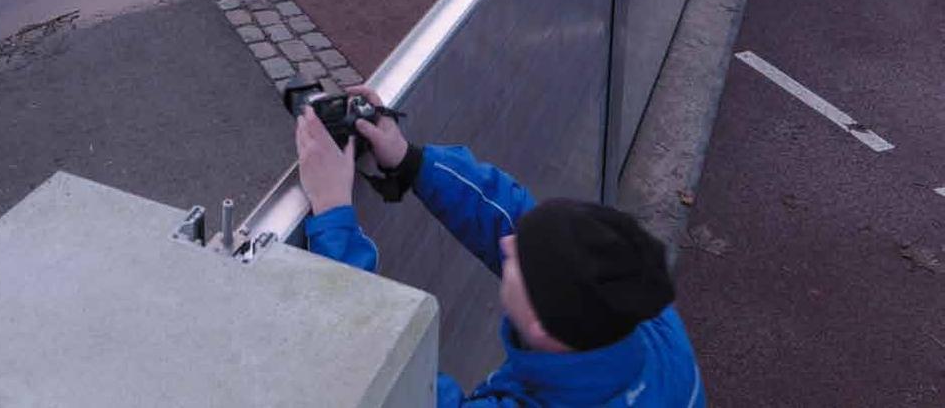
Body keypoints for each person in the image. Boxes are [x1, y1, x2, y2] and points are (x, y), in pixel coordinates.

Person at [295, 88, 705, 408]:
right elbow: (512, 218)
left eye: (521, 263)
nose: (508, 244)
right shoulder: (639, 313)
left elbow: (394, 381)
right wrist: (410, 161)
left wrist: (332, 212)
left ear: (543, 327)